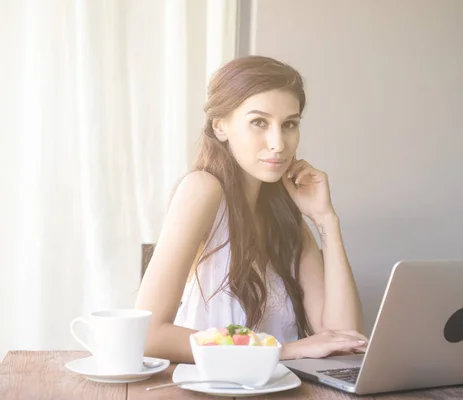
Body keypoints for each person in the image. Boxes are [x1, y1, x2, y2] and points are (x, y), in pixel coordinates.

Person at [135, 55, 366, 363]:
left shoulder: (285, 215)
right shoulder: (202, 189)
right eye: (259, 122)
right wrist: (282, 350)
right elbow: (149, 334)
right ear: (220, 127)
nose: (278, 143)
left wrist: (326, 219)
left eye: (289, 125)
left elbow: (343, 338)